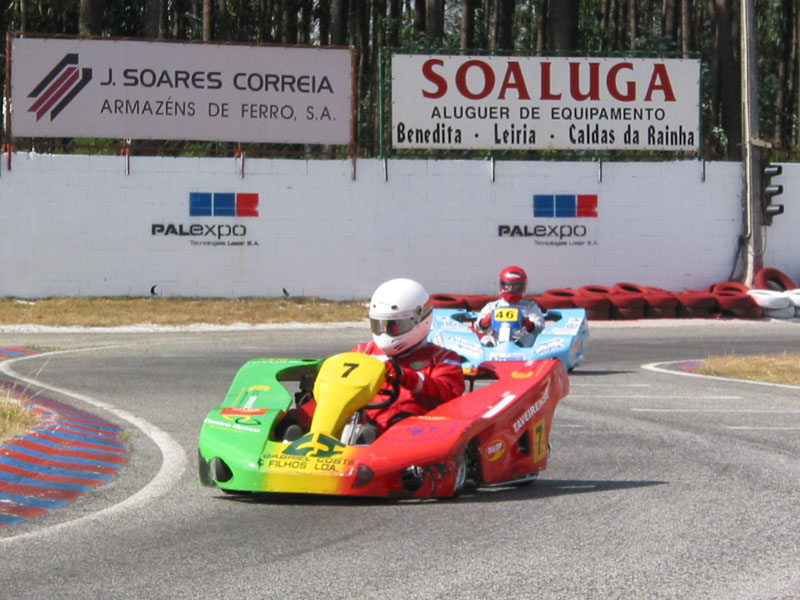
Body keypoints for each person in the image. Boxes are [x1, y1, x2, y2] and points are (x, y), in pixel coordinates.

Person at [290, 278, 465, 443]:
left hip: (406, 431)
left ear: (420, 319)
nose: (384, 333)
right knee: (300, 415)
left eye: (393, 326)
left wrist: (409, 378)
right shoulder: (361, 352)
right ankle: (298, 441)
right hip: (358, 419)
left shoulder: (442, 359)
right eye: (379, 325)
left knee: (396, 425)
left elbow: (449, 395)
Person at [475, 265, 545, 347]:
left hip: (520, 341)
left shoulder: (530, 306)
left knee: (529, 339)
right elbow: (478, 328)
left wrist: (527, 323)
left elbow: (540, 327)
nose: (511, 288)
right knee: (485, 340)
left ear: (522, 286)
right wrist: (485, 321)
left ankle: (521, 353)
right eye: (508, 285)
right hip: (497, 341)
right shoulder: (493, 306)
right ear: (502, 285)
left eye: (515, 286)